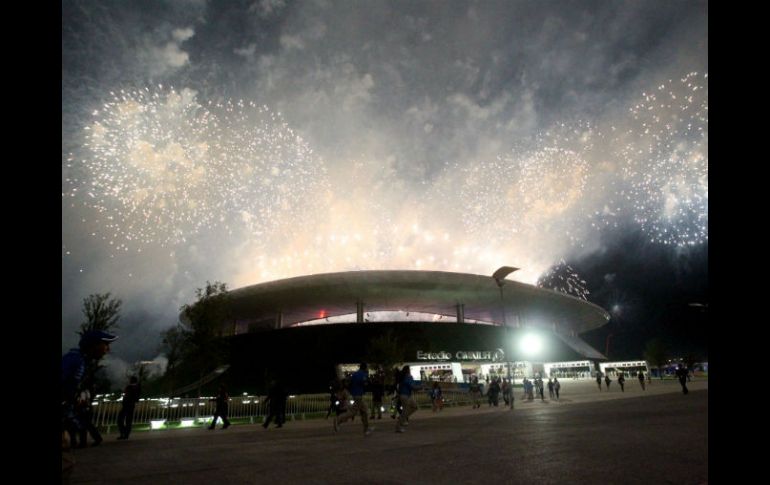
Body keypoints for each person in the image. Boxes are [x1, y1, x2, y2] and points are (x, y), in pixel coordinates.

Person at [61, 330, 118, 481]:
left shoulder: (80, 361)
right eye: (105, 344)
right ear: (93, 346)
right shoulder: (75, 360)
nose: (108, 349)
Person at [335, 363, 373, 436]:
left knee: (364, 411)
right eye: (367, 368)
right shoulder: (363, 374)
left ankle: (366, 429)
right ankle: (338, 419)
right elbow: (365, 383)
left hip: (355, 395)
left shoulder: (355, 374)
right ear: (365, 368)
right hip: (358, 395)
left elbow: (350, 383)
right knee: (353, 412)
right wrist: (367, 381)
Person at [395, 365, 420, 433]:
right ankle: (398, 426)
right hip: (405, 396)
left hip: (406, 395)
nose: (410, 371)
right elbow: (412, 387)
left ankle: (402, 418)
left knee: (415, 407)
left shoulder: (404, 377)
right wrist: (420, 387)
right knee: (405, 411)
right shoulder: (407, 377)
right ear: (407, 370)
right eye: (409, 369)